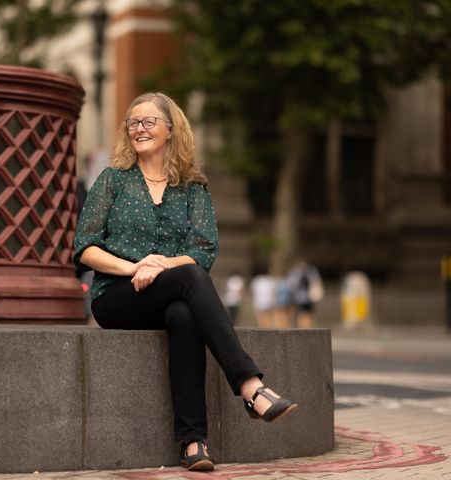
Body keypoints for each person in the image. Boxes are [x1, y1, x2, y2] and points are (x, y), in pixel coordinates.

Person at [74, 92, 298, 471]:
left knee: (184, 314)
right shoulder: (113, 180)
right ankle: (249, 386)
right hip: (117, 296)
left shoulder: (193, 187)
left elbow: (204, 250)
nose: (138, 129)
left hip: (169, 292)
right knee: (190, 279)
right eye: (133, 122)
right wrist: (133, 268)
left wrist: (157, 268)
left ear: (171, 129)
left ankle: (193, 443)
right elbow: (84, 248)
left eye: (148, 122)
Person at [287, 259, 323, 328]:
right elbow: (291, 286)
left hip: (308, 298)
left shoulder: (310, 272)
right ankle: (303, 327)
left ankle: (307, 327)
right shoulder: (295, 273)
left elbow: (315, 282)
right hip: (298, 299)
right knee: (300, 314)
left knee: (308, 314)